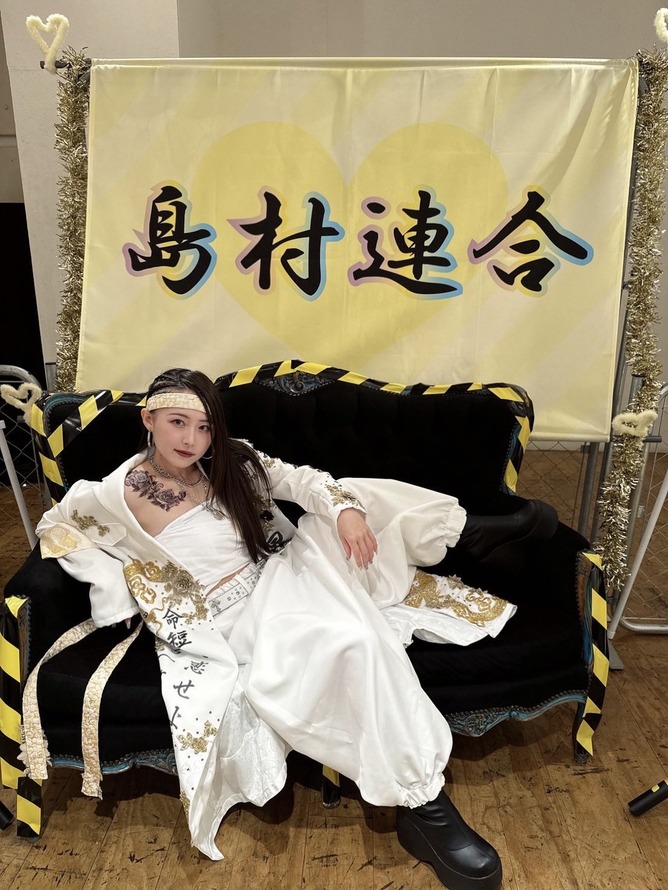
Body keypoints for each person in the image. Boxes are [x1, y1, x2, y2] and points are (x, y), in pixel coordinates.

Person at [23, 368, 557, 890]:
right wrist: (116, 586)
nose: (191, 440)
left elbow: (303, 479)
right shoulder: (116, 493)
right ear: (149, 419)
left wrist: (344, 513)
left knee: (348, 498)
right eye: (178, 423)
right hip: (233, 616)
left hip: (279, 570)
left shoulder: (231, 460)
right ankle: (425, 805)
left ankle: (472, 534)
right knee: (355, 641)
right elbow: (57, 528)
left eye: (204, 427)